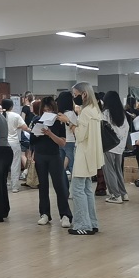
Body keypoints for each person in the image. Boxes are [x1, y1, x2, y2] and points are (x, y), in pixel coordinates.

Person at [57, 82, 102, 236]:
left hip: (84, 153)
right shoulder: (95, 110)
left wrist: (68, 122)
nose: (74, 98)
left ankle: (83, 224)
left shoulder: (85, 112)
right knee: (87, 189)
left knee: (77, 189)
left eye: (75, 94)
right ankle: (92, 223)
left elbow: (81, 135)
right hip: (91, 153)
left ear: (84, 94)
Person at [30, 96, 72, 228]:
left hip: (54, 156)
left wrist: (50, 134)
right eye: (45, 110)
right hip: (40, 156)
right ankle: (44, 214)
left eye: (49, 110)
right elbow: (32, 141)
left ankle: (65, 215)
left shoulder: (58, 122)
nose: (47, 112)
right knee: (43, 186)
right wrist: (36, 134)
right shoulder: (36, 120)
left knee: (59, 186)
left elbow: (62, 143)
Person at [102, 91, 130, 204]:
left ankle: (115, 195)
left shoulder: (106, 113)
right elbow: (126, 129)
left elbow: (102, 129)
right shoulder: (123, 114)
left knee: (109, 170)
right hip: (120, 146)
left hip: (109, 146)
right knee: (118, 170)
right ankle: (123, 194)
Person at [2, 98, 31, 193]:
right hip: (14, 143)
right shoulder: (15, 116)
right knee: (15, 164)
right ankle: (14, 187)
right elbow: (25, 127)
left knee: (3, 165)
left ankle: (3, 184)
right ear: (12, 106)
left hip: (2, 143)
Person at [55, 91, 78, 183]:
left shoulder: (58, 114)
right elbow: (75, 126)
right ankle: (74, 184)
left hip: (61, 141)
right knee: (72, 165)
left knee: (61, 166)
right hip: (71, 141)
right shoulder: (71, 114)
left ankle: (62, 183)